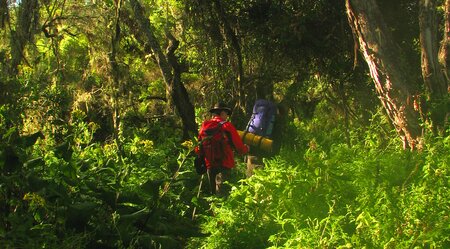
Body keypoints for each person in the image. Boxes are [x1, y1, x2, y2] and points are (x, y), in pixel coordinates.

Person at [196, 102, 249, 196]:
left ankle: (213, 209)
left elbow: (198, 147)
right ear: (223, 113)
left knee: (213, 194)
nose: (227, 116)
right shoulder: (227, 126)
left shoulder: (204, 126)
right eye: (226, 114)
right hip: (225, 164)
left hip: (209, 165)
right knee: (222, 194)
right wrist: (246, 149)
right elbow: (239, 146)